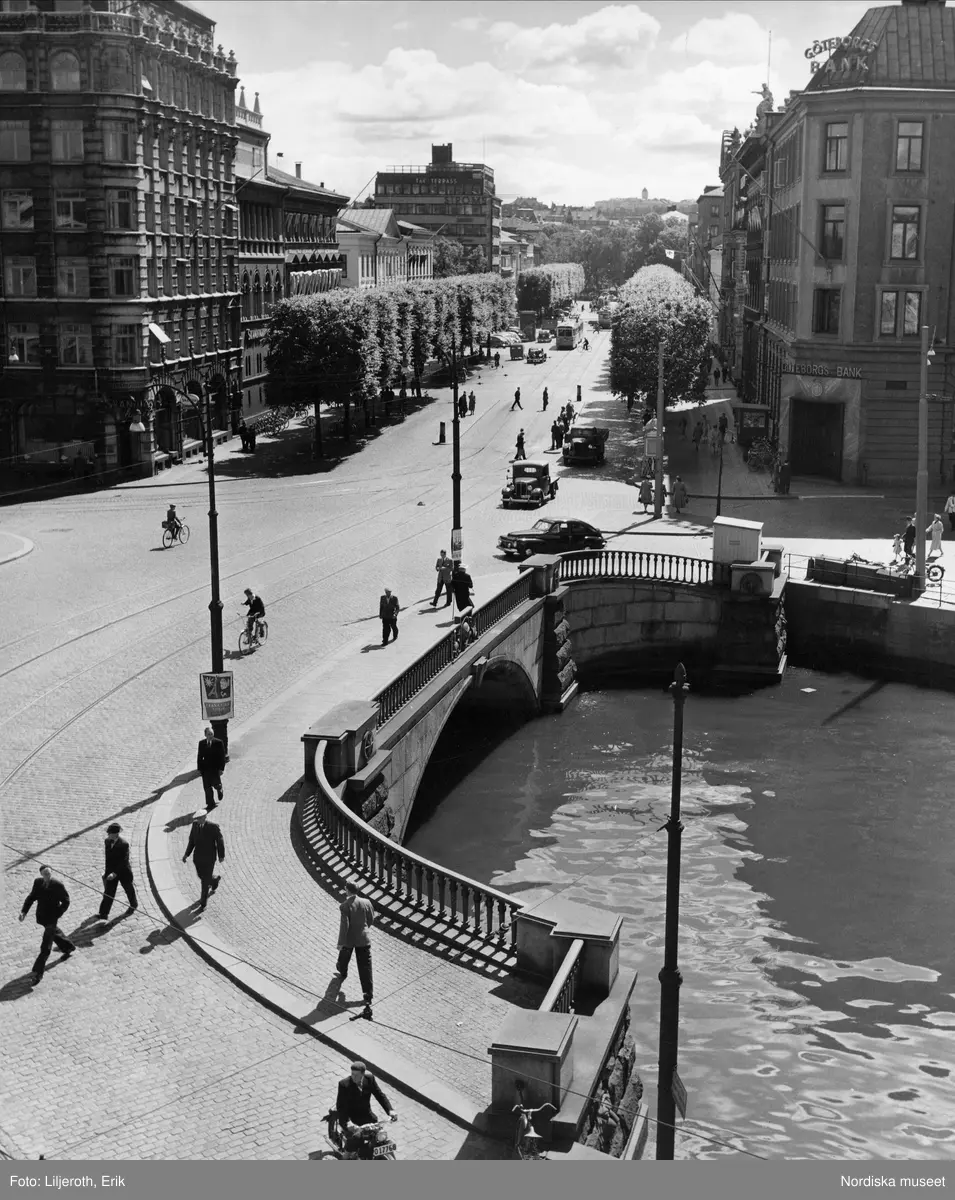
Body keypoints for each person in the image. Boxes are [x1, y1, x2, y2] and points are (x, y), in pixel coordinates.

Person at [19, 865, 76, 985]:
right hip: (42, 917)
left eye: (49, 873)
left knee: (46, 947)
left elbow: (66, 901)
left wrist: (57, 914)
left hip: (52, 918)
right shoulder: (38, 882)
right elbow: (31, 897)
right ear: (41, 874)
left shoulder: (58, 885)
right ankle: (68, 946)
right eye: (45, 874)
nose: (47, 876)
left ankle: (37, 973)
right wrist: (24, 912)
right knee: (54, 932)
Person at [335, 881, 377, 1017]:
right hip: (364, 939)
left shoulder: (345, 906)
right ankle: (368, 995)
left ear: (347, 890)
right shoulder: (367, 902)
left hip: (349, 940)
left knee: (344, 958)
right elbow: (370, 919)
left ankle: (342, 972)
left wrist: (341, 942)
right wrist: (363, 930)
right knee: (365, 968)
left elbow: (344, 926)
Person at [334, 1061, 397, 1147]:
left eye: (356, 1075)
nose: (353, 1077)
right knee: (355, 1143)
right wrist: (348, 1122)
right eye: (352, 1074)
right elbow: (341, 1107)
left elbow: (380, 1095)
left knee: (377, 1137)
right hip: (350, 1118)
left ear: (363, 1074)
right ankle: (345, 1157)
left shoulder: (369, 1079)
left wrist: (390, 1110)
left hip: (366, 1114)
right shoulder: (344, 1084)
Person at [182, 810, 225, 912]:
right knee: (202, 876)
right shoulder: (195, 825)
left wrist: (221, 855)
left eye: (200, 818)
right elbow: (192, 841)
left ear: (205, 817)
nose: (198, 821)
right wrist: (186, 854)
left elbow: (220, 840)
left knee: (204, 882)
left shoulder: (213, 827)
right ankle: (214, 880)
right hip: (198, 859)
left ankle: (203, 903)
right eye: (197, 819)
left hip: (209, 859)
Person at [98, 823, 137, 920]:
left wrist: (115, 873)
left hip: (123, 873)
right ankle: (103, 914)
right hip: (111, 873)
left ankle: (133, 904)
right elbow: (108, 859)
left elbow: (124, 861)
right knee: (108, 893)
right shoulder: (107, 841)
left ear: (116, 834)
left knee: (129, 890)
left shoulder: (124, 844)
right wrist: (107, 873)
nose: (108, 835)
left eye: (110, 833)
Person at [197, 725, 226, 810]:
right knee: (207, 787)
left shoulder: (218, 743)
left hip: (215, 768)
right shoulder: (201, 743)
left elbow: (222, 757)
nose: (210, 736)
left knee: (216, 784)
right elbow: (199, 756)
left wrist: (221, 768)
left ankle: (219, 788)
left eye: (211, 734)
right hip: (205, 769)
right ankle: (210, 803)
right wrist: (199, 769)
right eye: (209, 734)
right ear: (205, 735)